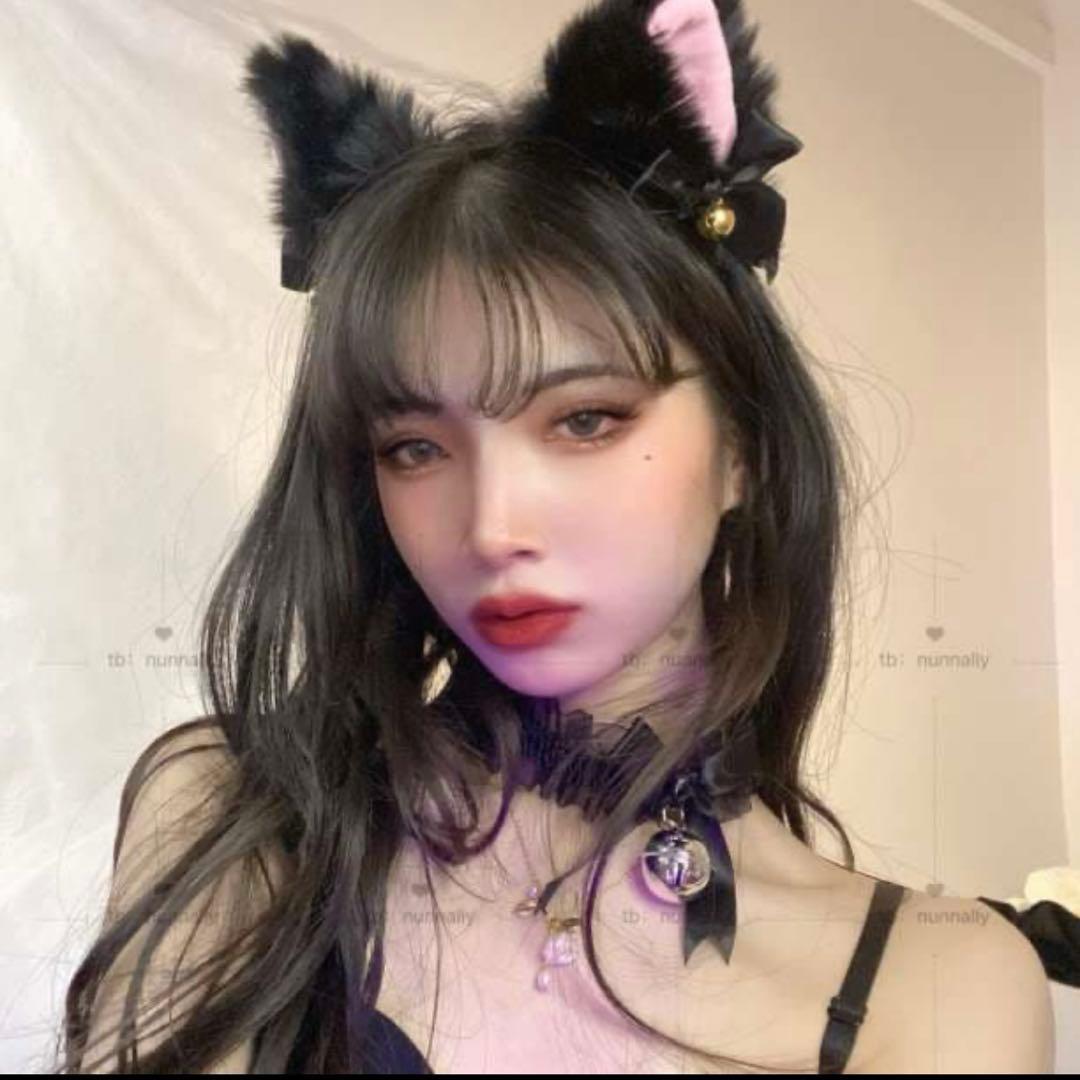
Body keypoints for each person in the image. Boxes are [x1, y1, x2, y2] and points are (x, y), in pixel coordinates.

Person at [57, 0, 1054, 1073]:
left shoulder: (940, 981)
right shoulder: (239, 815)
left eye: (585, 421)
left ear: (744, 448)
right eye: (415, 447)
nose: (490, 528)